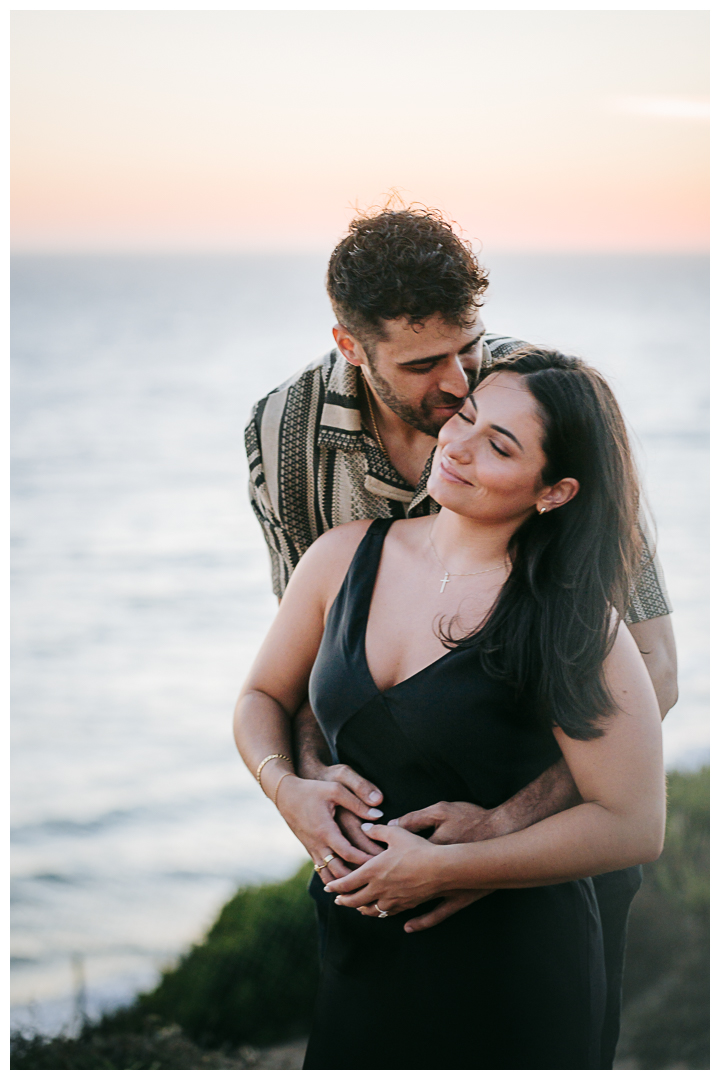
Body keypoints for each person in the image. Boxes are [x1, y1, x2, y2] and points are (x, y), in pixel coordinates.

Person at [244, 205, 677, 1065]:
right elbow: (299, 667)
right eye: (424, 365)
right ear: (350, 344)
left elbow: (654, 670)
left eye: (468, 350)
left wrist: (500, 835)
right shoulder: (287, 441)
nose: (456, 393)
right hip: (371, 893)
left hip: (545, 868)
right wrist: (297, 789)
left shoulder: (539, 400)